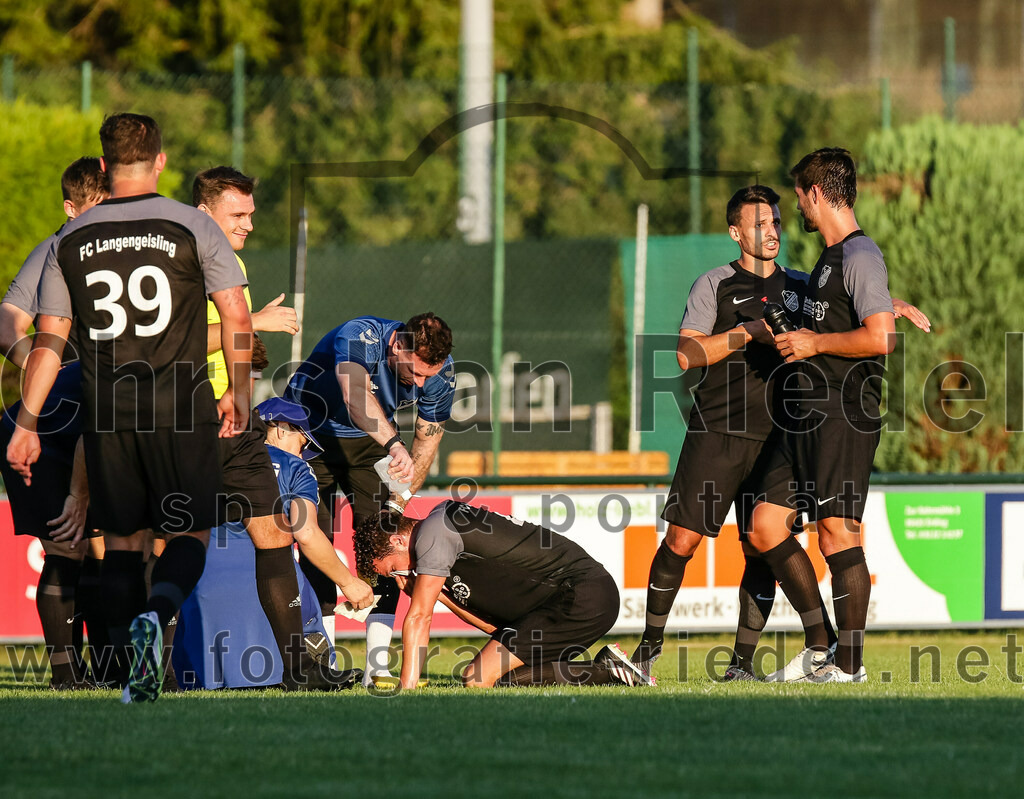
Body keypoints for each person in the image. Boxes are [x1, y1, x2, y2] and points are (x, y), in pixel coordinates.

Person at [630, 185, 929, 683]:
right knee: (681, 540)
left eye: (775, 222)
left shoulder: (799, 285)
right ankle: (647, 651)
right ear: (735, 232)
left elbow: (842, 308)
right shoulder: (715, 285)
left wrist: (886, 301)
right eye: (759, 224)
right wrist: (748, 333)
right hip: (719, 432)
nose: (772, 231)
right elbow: (688, 355)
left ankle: (745, 665)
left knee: (761, 544)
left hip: (781, 435)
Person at [6, 112, 255, 704]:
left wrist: (27, 422)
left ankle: (126, 671)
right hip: (181, 408)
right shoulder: (193, 224)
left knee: (121, 543)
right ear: (161, 161)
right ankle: (157, 616)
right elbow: (237, 318)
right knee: (189, 534)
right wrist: (239, 391)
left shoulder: (71, 238)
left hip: (109, 415)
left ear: (102, 167)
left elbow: (47, 341)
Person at [190, 165, 360, 693]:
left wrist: (240, 390)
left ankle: (298, 671)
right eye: (237, 214)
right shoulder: (181, 257)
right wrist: (252, 324)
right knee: (169, 547)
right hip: (186, 420)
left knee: (272, 535)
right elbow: (177, 341)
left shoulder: (227, 258)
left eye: (251, 214)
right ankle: (157, 670)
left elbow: (228, 341)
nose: (248, 224)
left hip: (230, 421)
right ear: (204, 211)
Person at [750, 148, 901, 683]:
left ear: (816, 194)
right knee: (765, 525)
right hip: (806, 418)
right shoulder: (834, 258)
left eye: (799, 198)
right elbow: (857, 311)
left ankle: (850, 668)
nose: (799, 211)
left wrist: (816, 344)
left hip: (843, 412)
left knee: (838, 533)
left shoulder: (858, 253)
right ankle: (822, 646)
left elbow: (880, 338)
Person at [285, 313, 456, 684]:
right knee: (315, 540)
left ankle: (376, 668)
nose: (423, 383)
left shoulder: (441, 375)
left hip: (370, 442)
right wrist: (394, 444)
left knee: (385, 543)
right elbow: (356, 398)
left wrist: (401, 498)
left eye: (431, 375)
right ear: (397, 345)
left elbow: (428, 441)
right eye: (417, 373)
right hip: (309, 435)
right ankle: (324, 664)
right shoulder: (359, 336)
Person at [0, 157, 110, 689]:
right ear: (72, 209)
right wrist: (49, 375)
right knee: (68, 544)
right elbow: (7, 325)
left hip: (95, 414)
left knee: (102, 544)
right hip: (51, 422)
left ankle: (104, 668)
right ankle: (68, 676)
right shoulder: (57, 247)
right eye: (99, 205)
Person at [354, 501, 652, 689]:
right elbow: (497, 630)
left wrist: (406, 687)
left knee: (477, 678)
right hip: (574, 596)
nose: (400, 578)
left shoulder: (434, 534)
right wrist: (441, 597)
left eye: (394, 569)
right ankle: (608, 671)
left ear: (398, 540)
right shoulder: (440, 529)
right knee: (502, 679)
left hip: (582, 594)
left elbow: (419, 616)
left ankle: (607, 670)